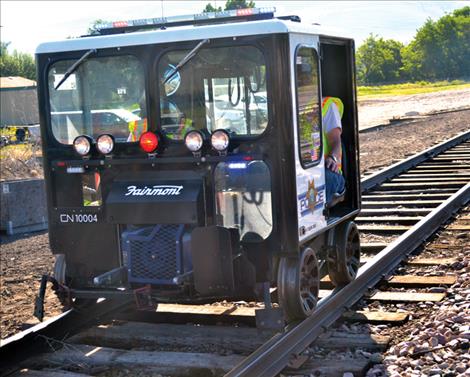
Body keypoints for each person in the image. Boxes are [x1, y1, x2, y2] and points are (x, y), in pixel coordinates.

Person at [322, 97, 345, 205]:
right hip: (300, 171)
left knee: (327, 178)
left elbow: (335, 141)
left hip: (325, 170)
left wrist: (333, 158)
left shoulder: (326, 105)